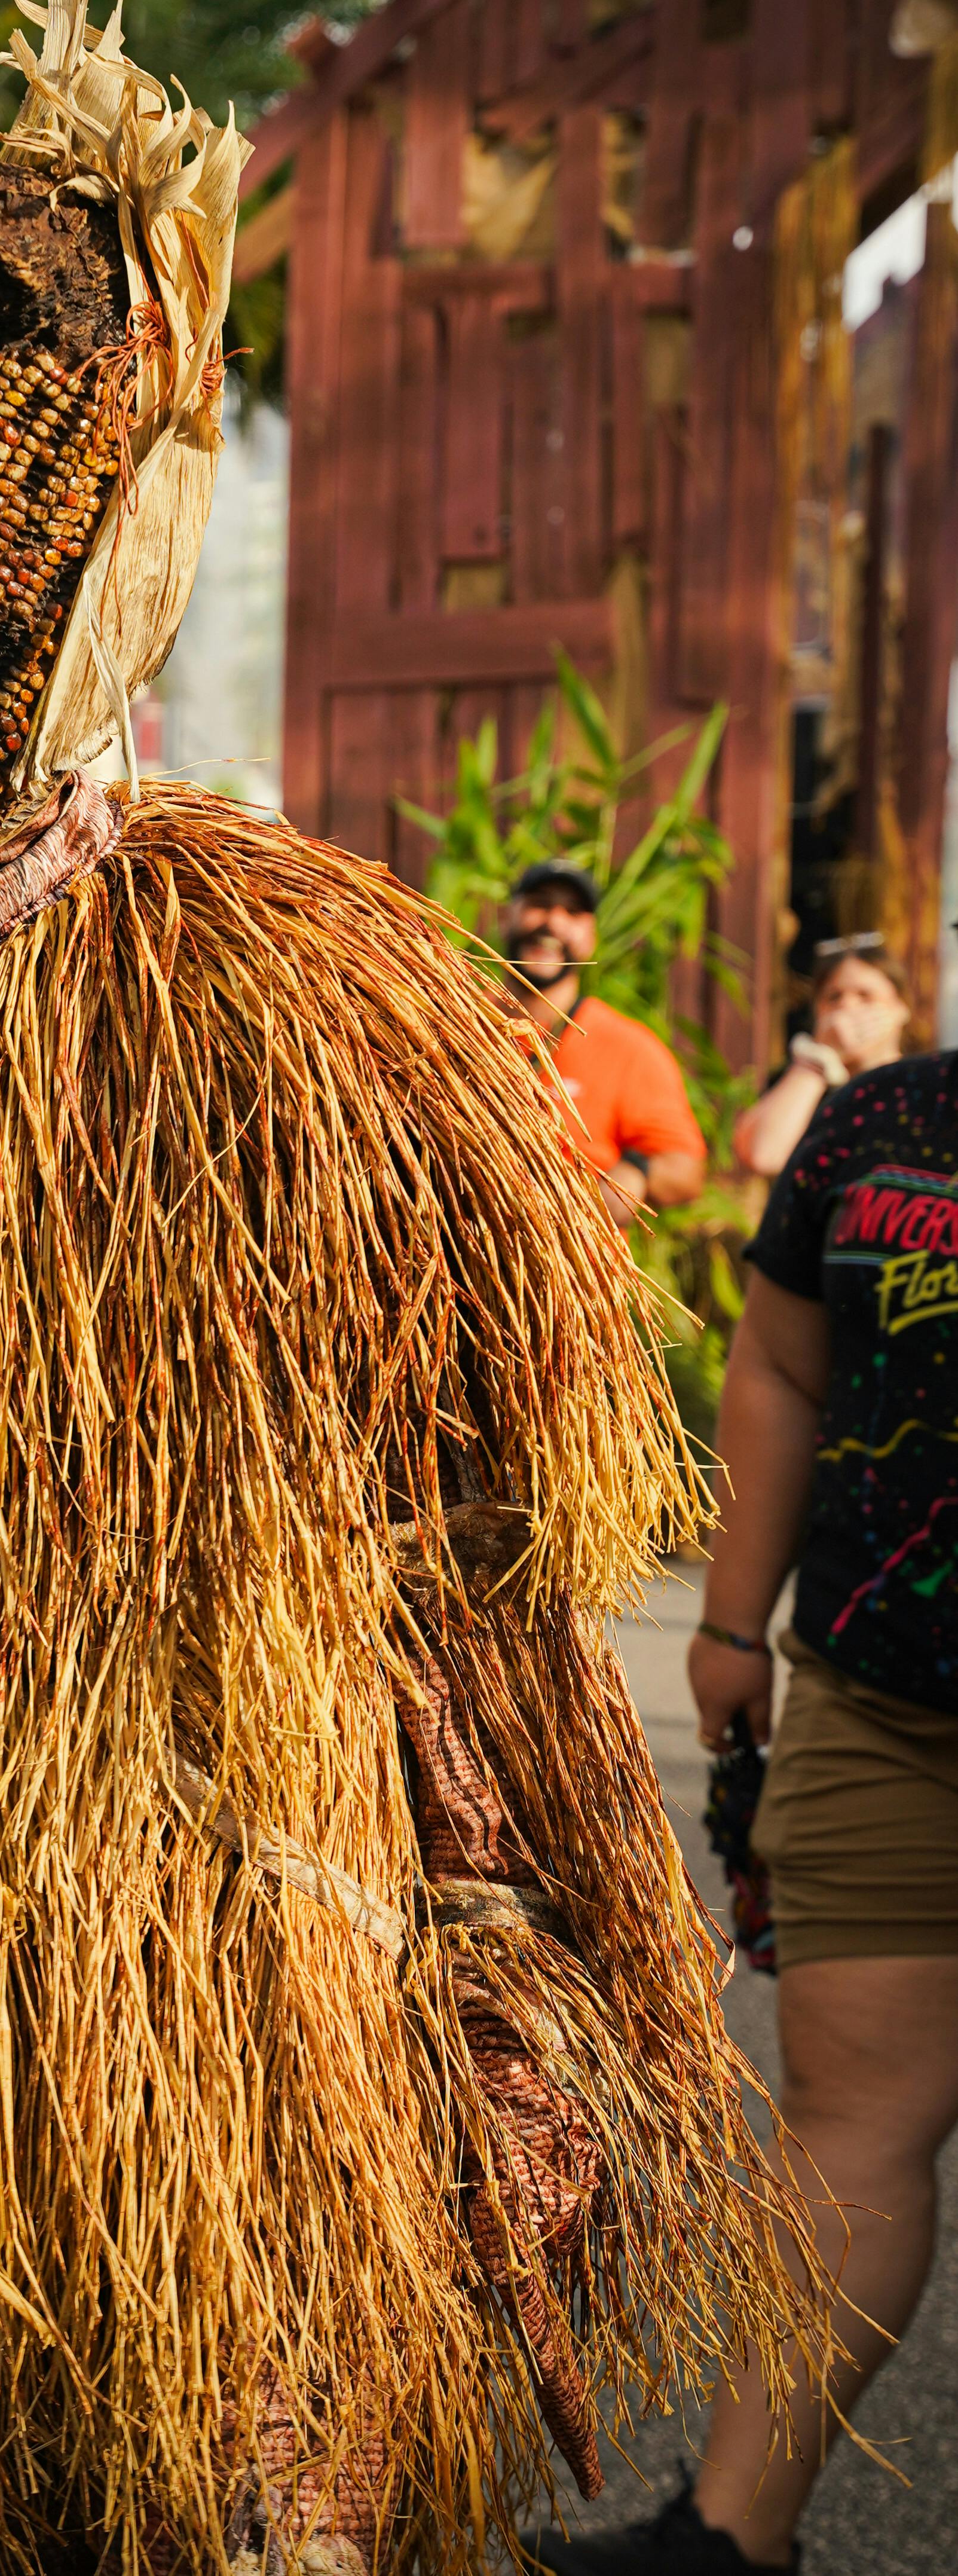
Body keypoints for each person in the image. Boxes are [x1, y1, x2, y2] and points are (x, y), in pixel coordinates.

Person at [0, 0, 824, 2576]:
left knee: (242, 2487)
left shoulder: (304, 1004)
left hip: (236, 1975)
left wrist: (517, 1939)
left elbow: (493, 1553)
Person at [524, 1022, 958, 2575]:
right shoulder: (877, 1125)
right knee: (850, 2126)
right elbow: (778, 1365)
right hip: (881, 1698)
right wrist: (726, 1624)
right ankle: (727, 2542)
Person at [499, 860, 709, 1224]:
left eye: (573, 912)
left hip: (568, 1254)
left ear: (591, 938)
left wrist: (637, 1171)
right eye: (540, 904)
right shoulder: (458, 1023)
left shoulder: (627, 1047)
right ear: (506, 918)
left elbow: (687, 1170)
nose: (554, 921)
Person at [734, 933, 914, 1179]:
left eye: (865, 996)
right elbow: (764, 1156)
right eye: (834, 997)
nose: (847, 1007)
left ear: (901, 1008)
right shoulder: (797, 1085)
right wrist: (819, 1058)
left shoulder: (921, 1086)